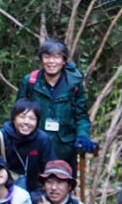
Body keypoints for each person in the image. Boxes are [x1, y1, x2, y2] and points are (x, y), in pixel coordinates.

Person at [17, 38, 97, 170]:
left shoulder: (74, 84)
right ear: (41, 59)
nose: (51, 62)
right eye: (47, 57)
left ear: (64, 61)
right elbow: (18, 114)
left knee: (61, 187)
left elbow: (81, 116)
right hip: (34, 146)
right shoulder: (30, 81)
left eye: (57, 57)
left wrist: (82, 136)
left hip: (65, 149)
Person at [0, 100, 54, 194]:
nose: (26, 122)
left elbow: (50, 169)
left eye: (32, 118)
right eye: (22, 117)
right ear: (14, 118)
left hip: (34, 192)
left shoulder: (43, 140)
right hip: (2, 192)